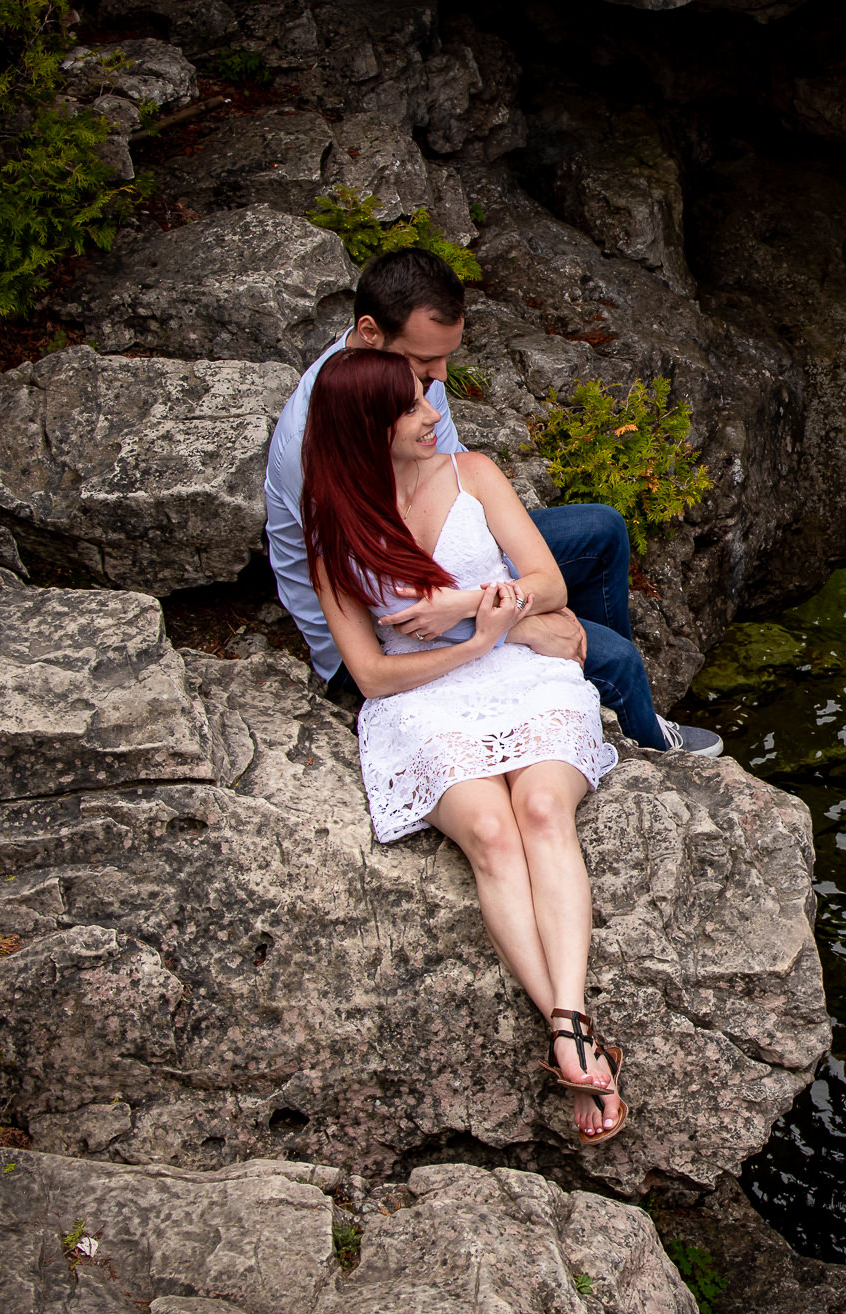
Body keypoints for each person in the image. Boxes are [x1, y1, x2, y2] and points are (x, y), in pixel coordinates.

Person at [303, 345, 629, 1143]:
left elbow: (547, 582)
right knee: (490, 833)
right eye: (413, 406)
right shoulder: (334, 533)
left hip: (520, 669)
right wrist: (466, 644)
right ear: (366, 428)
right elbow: (375, 674)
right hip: (424, 696)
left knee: (545, 809)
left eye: (426, 397)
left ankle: (567, 1022)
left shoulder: (474, 473)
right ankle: (572, 1034)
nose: (432, 414)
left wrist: (465, 608)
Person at [265, 247, 720, 757]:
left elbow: (452, 487)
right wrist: (518, 623)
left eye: (445, 357)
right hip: (381, 616)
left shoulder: (411, 380)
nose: (439, 376)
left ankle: (585, 687)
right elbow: (385, 587)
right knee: (613, 657)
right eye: (423, 360)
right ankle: (637, 732)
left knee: (601, 529)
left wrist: (508, 590)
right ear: (370, 333)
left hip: (441, 569)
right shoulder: (319, 434)